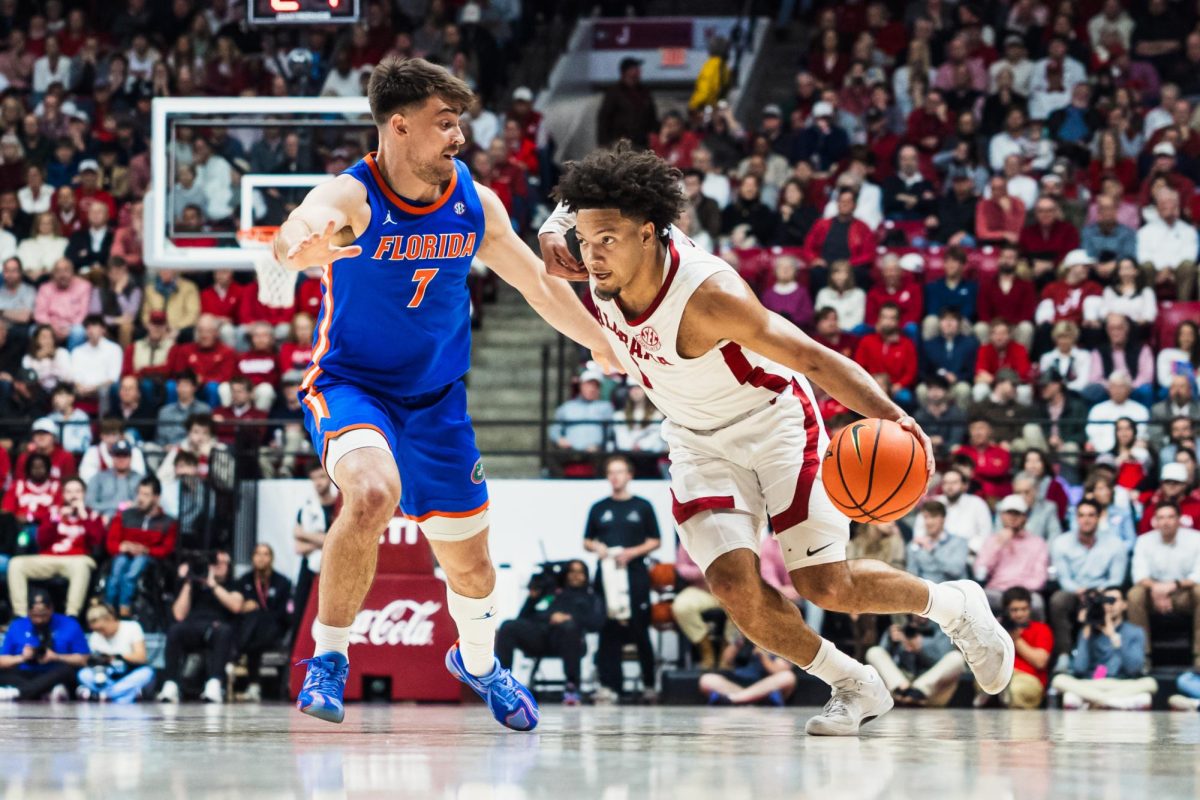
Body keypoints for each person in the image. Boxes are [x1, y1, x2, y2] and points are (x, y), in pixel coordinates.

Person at [542, 144, 1013, 736]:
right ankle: (852, 682)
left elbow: (812, 357)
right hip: (694, 439)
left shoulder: (711, 297)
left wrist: (894, 416)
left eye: (606, 240)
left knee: (826, 585)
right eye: (584, 241)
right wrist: (558, 235)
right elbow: (556, 231)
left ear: (649, 233)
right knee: (734, 588)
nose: (592, 256)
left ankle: (955, 606)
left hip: (775, 424)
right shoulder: (595, 251)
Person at [273, 59, 616, 730]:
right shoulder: (354, 196)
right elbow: (302, 224)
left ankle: (479, 662)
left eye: (458, 121)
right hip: (353, 389)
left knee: (475, 571)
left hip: (437, 404)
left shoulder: (475, 202)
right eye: (445, 122)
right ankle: (329, 658)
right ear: (399, 127)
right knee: (372, 494)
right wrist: (296, 246)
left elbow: (539, 285)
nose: (459, 136)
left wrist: (598, 341)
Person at [583, 455, 660, 702]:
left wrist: (632, 553)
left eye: (620, 472)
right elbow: (587, 540)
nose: (615, 477)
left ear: (629, 475)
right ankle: (610, 686)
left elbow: (655, 540)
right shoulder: (598, 507)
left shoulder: (642, 506)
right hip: (606, 577)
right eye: (611, 472)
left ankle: (649, 684)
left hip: (635, 574)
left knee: (640, 628)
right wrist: (598, 548)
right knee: (608, 630)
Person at [496, 560, 604, 706]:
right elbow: (524, 618)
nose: (575, 576)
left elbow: (596, 623)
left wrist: (569, 618)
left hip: (569, 641)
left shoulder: (591, 597)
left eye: (580, 572)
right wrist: (532, 599)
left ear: (586, 575)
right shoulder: (552, 593)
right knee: (508, 626)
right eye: (572, 571)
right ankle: (502, 684)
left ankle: (572, 686)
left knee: (569, 627)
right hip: (541, 637)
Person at [5, 476, 103, 618]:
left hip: (77, 559)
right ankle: (20, 615)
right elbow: (42, 540)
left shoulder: (93, 515)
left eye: (78, 491)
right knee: (16, 563)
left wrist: (84, 516)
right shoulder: (53, 514)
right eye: (69, 492)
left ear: (84, 494)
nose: (74, 495)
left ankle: (72, 615)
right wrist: (56, 520)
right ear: (63, 494)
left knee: (80, 566)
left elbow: (97, 542)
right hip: (50, 558)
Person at [157, 550, 244, 705]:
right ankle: (170, 683)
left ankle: (214, 684)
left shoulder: (233, 584)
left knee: (223, 632)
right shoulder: (194, 585)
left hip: (217, 627)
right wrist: (189, 582)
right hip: (193, 627)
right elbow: (178, 615)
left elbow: (236, 606)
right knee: (174, 630)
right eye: (214, 563)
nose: (217, 566)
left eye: (222, 563)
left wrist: (214, 585)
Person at [1048, 499, 1130, 664]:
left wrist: (1097, 592)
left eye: (1091, 515)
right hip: (1075, 592)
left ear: (1099, 517)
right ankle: (1064, 655)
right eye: (1082, 515)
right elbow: (1064, 579)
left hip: (1103, 591)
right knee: (1058, 600)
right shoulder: (1061, 543)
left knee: (1116, 596)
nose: (1086, 519)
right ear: (1076, 518)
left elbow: (1116, 579)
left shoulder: (1115, 544)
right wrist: (1080, 591)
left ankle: (1117, 658)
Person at [1049, 587, 1156, 709]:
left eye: (1113, 600)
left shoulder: (1135, 631)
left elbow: (1133, 669)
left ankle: (1097, 701)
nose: (1110, 605)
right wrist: (1086, 629)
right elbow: (1080, 668)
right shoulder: (1089, 630)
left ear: (1124, 605)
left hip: (1121, 683)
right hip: (1093, 683)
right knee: (1059, 680)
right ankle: (1111, 702)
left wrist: (1113, 636)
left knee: (1150, 683)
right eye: (1105, 601)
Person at [1127, 502, 1200, 669]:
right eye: (1161, 517)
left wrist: (1172, 586)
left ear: (1179, 520)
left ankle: (1199, 656)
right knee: (1134, 594)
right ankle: (1142, 657)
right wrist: (1157, 589)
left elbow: (1198, 574)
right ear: (1154, 521)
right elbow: (1138, 575)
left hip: (1184, 593)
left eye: (1170, 517)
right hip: (1153, 593)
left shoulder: (1196, 538)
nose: (1166, 522)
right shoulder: (1144, 541)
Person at [104, 477, 178, 619]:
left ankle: (124, 606)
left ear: (156, 498)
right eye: (139, 493)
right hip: (124, 554)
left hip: (150, 560)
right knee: (119, 564)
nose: (140, 499)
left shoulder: (168, 522)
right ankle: (108, 605)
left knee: (138, 564)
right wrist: (122, 546)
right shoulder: (125, 515)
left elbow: (166, 550)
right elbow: (111, 543)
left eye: (146, 495)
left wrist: (147, 550)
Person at [0, 589, 89, 702]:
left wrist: (56, 657)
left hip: (55, 672)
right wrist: (22, 657)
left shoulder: (70, 624)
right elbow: (2, 661)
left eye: (43, 615)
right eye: (35, 615)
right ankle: (45, 691)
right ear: (28, 611)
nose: (39, 619)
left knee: (68, 671)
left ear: (51, 609)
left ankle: (18, 693)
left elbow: (83, 660)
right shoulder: (17, 625)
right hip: (26, 673)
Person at [235, 543, 293, 703]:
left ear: (271, 558)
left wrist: (260, 612)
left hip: (274, 631)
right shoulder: (243, 581)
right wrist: (244, 607)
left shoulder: (283, 582)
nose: (261, 557)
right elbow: (237, 606)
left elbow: (284, 613)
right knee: (253, 625)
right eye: (258, 554)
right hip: (253, 632)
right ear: (252, 558)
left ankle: (239, 655)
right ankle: (253, 685)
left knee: (258, 621)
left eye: (266, 554)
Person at [865, 615, 966, 707]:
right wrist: (890, 641)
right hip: (899, 686)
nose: (920, 616)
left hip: (930, 692)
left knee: (957, 657)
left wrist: (921, 649)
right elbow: (882, 661)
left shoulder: (942, 629)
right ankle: (903, 690)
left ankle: (917, 691)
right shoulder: (901, 627)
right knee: (874, 651)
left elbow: (945, 664)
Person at [974, 494, 1049, 616]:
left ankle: (1035, 635)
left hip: (1026, 593)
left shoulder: (1037, 542)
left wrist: (1017, 593)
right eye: (1009, 513)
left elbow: (1040, 578)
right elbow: (980, 573)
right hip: (997, 591)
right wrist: (998, 545)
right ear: (1002, 516)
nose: (1013, 518)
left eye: (1017, 514)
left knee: (1037, 603)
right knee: (979, 600)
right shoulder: (992, 540)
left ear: (1025, 517)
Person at [985, 587, 1052, 709]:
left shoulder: (1042, 629)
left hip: (1029, 680)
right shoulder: (998, 631)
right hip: (1002, 676)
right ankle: (999, 692)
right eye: (1014, 610)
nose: (1020, 614)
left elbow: (1040, 662)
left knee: (1017, 689)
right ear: (1006, 611)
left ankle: (1001, 693)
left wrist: (1016, 639)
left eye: (1024, 609)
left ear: (1030, 608)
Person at [75, 602, 155, 704]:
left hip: (128, 673)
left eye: (101, 629)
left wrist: (117, 656)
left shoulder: (132, 627)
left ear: (110, 618)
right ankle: (125, 696)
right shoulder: (95, 636)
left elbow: (141, 657)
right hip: (107, 676)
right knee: (83, 674)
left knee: (147, 673)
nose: (100, 633)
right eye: (96, 630)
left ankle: (103, 695)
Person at [293, 464, 337, 632]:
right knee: (301, 611)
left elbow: (337, 541)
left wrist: (305, 534)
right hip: (309, 568)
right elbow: (298, 547)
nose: (318, 483)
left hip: (334, 568)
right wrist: (325, 541)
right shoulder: (306, 509)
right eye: (314, 479)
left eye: (321, 477)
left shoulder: (339, 507)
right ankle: (294, 652)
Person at [699, 632, 798, 707]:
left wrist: (762, 655)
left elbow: (780, 671)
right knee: (706, 679)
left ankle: (736, 699)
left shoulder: (781, 640)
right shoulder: (744, 637)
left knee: (788, 677)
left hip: (764, 686)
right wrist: (737, 644)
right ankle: (747, 698)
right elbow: (727, 660)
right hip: (738, 683)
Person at [907, 501, 971, 584]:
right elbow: (912, 576)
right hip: (926, 592)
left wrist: (933, 550)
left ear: (943, 519)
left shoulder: (959, 542)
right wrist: (912, 549)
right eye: (926, 517)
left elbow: (956, 571)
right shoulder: (917, 544)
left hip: (952, 591)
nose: (929, 522)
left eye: (933, 517)